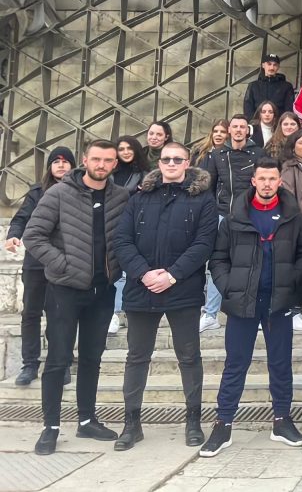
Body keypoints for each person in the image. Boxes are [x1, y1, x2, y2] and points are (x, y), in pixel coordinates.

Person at [22, 140, 130, 455]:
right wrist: (64, 266)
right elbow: (33, 236)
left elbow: (124, 238)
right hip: (64, 291)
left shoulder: (121, 197)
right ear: (84, 160)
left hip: (102, 292)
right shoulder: (58, 194)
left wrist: (117, 269)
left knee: (92, 358)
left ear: (114, 165)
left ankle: (86, 420)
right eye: (96, 159)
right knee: (57, 360)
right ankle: (51, 427)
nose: (101, 164)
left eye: (108, 160)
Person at [200, 158, 302, 457]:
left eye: (272, 179)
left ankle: (281, 420)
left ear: (279, 182)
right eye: (261, 178)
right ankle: (223, 425)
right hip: (243, 303)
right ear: (253, 181)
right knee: (235, 364)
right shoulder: (236, 217)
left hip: (279, 303)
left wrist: (292, 281)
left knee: (280, 363)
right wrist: (229, 287)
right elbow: (218, 258)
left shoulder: (294, 217)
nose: (266, 184)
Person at [111, 142, 218, 450]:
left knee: (188, 357)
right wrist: (144, 273)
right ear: (159, 163)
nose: (171, 163)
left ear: (187, 163)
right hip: (141, 288)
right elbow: (122, 239)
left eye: (177, 159)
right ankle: (131, 424)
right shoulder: (139, 197)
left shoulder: (203, 200)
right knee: (137, 357)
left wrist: (172, 275)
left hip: (182, 289)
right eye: (166, 159)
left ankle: (193, 421)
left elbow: (204, 243)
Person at [5, 147, 75, 387]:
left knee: (60, 314)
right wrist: (14, 235)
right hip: (36, 264)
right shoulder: (37, 192)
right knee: (31, 313)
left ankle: (62, 362)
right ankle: (30, 364)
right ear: (49, 166)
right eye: (56, 161)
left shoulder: (80, 191)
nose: (61, 165)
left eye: (66, 162)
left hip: (65, 262)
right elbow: (21, 218)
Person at [202, 115, 260, 333]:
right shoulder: (217, 155)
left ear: (247, 131)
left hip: (252, 215)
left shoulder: (258, 154)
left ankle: (255, 310)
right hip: (223, 215)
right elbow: (210, 187)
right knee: (218, 263)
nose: (238, 130)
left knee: (254, 262)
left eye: (242, 127)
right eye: (234, 127)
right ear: (229, 131)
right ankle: (210, 313)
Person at [109, 135, 148, 334]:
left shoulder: (145, 174)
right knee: (114, 270)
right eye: (121, 148)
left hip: (135, 225)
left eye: (129, 148)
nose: (125, 152)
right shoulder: (109, 174)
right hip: (111, 223)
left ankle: (121, 312)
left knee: (126, 270)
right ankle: (114, 313)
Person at [243, 53, 295, 119]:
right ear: (263, 65)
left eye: (275, 65)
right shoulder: (253, 86)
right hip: (257, 125)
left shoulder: (286, 86)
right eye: (269, 64)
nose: (272, 68)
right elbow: (248, 108)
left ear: (278, 67)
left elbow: (289, 109)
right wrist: (253, 123)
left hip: (278, 125)